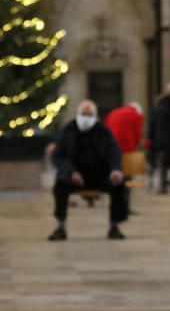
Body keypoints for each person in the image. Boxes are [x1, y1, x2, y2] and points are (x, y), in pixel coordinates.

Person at [49, 100, 128, 241]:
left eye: (89, 115)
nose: (86, 118)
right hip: (75, 176)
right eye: (83, 114)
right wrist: (70, 171)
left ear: (95, 116)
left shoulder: (103, 131)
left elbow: (114, 151)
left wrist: (115, 169)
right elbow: (57, 156)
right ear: (78, 114)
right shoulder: (68, 131)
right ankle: (61, 226)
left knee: (119, 185)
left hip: (99, 176)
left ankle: (114, 226)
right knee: (60, 184)